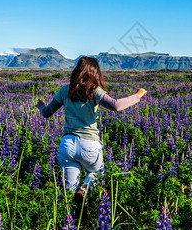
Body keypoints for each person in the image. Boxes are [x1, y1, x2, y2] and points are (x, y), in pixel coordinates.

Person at [35, 56, 147, 202]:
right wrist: (137, 96)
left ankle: (70, 221)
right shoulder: (94, 90)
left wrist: (41, 106)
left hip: (67, 144)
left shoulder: (65, 90)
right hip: (89, 144)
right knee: (97, 173)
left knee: (68, 193)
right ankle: (85, 188)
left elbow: (47, 113)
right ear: (95, 72)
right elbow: (117, 105)